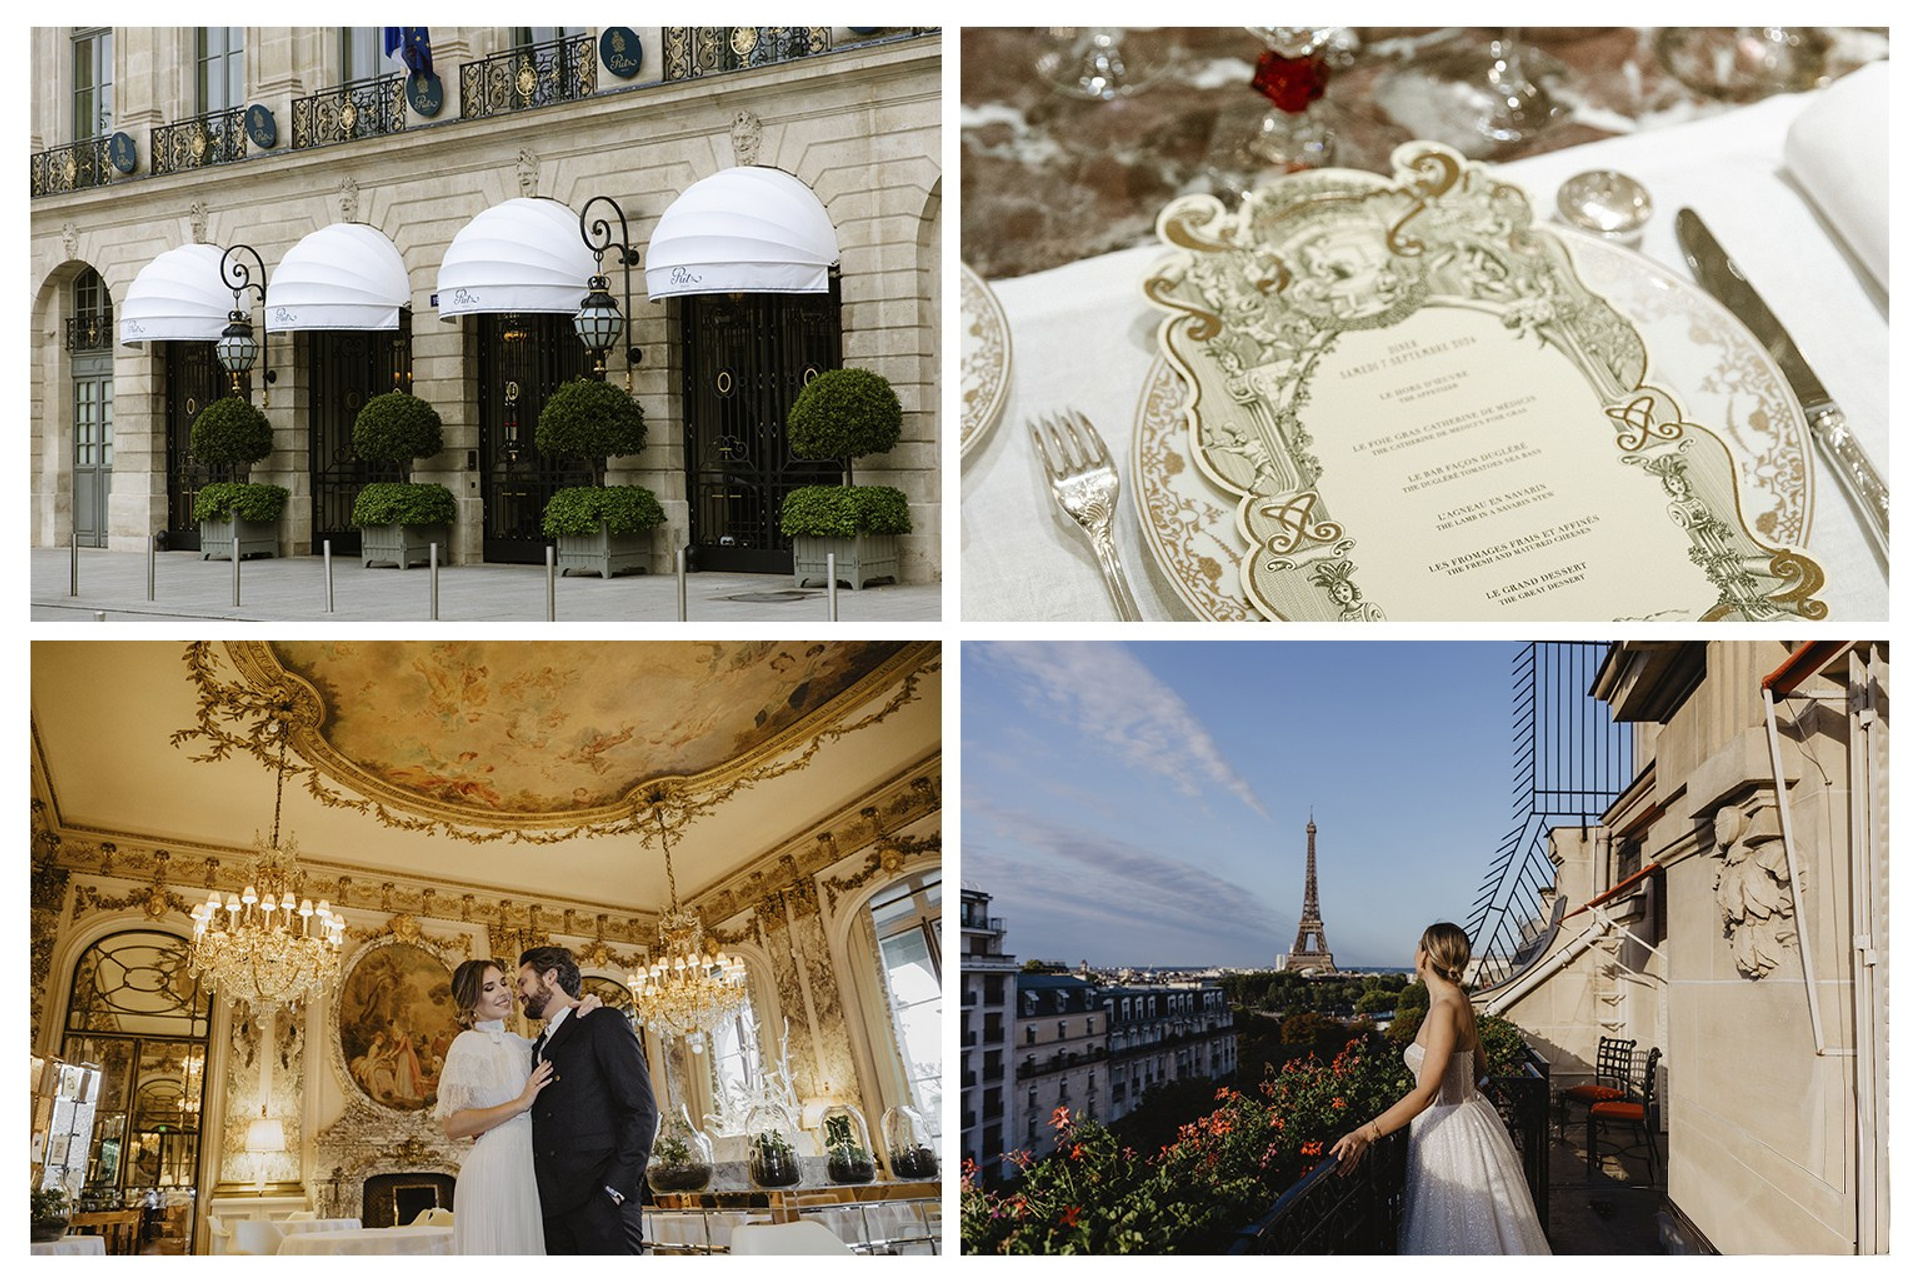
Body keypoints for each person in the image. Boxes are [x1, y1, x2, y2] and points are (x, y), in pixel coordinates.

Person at [1329, 922, 1550, 1254]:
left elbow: (1427, 1091)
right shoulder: (1458, 1000)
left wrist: (1366, 1132)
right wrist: (1461, 1096)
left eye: (1418, 945)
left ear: (1425, 956)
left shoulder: (1445, 1008)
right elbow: (1480, 1067)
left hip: (1448, 1133)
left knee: (1451, 1235)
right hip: (1470, 1120)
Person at [519, 945, 658, 1255]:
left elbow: (641, 1109)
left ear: (551, 977)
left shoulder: (602, 1021)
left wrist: (615, 1189)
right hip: (553, 1209)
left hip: (602, 1203)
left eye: (523, 982)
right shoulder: (538, 1046)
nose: (519, 993)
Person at [434, 959, 554, 1255]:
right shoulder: (466, 1045)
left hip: (526, 1166)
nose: (504, 991)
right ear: (471, 1002)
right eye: (490, 988)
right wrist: (520, 1103)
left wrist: (587, 1003)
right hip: (493, 1170)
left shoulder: (521, 1045)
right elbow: (453, 1125)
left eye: (503, 982)